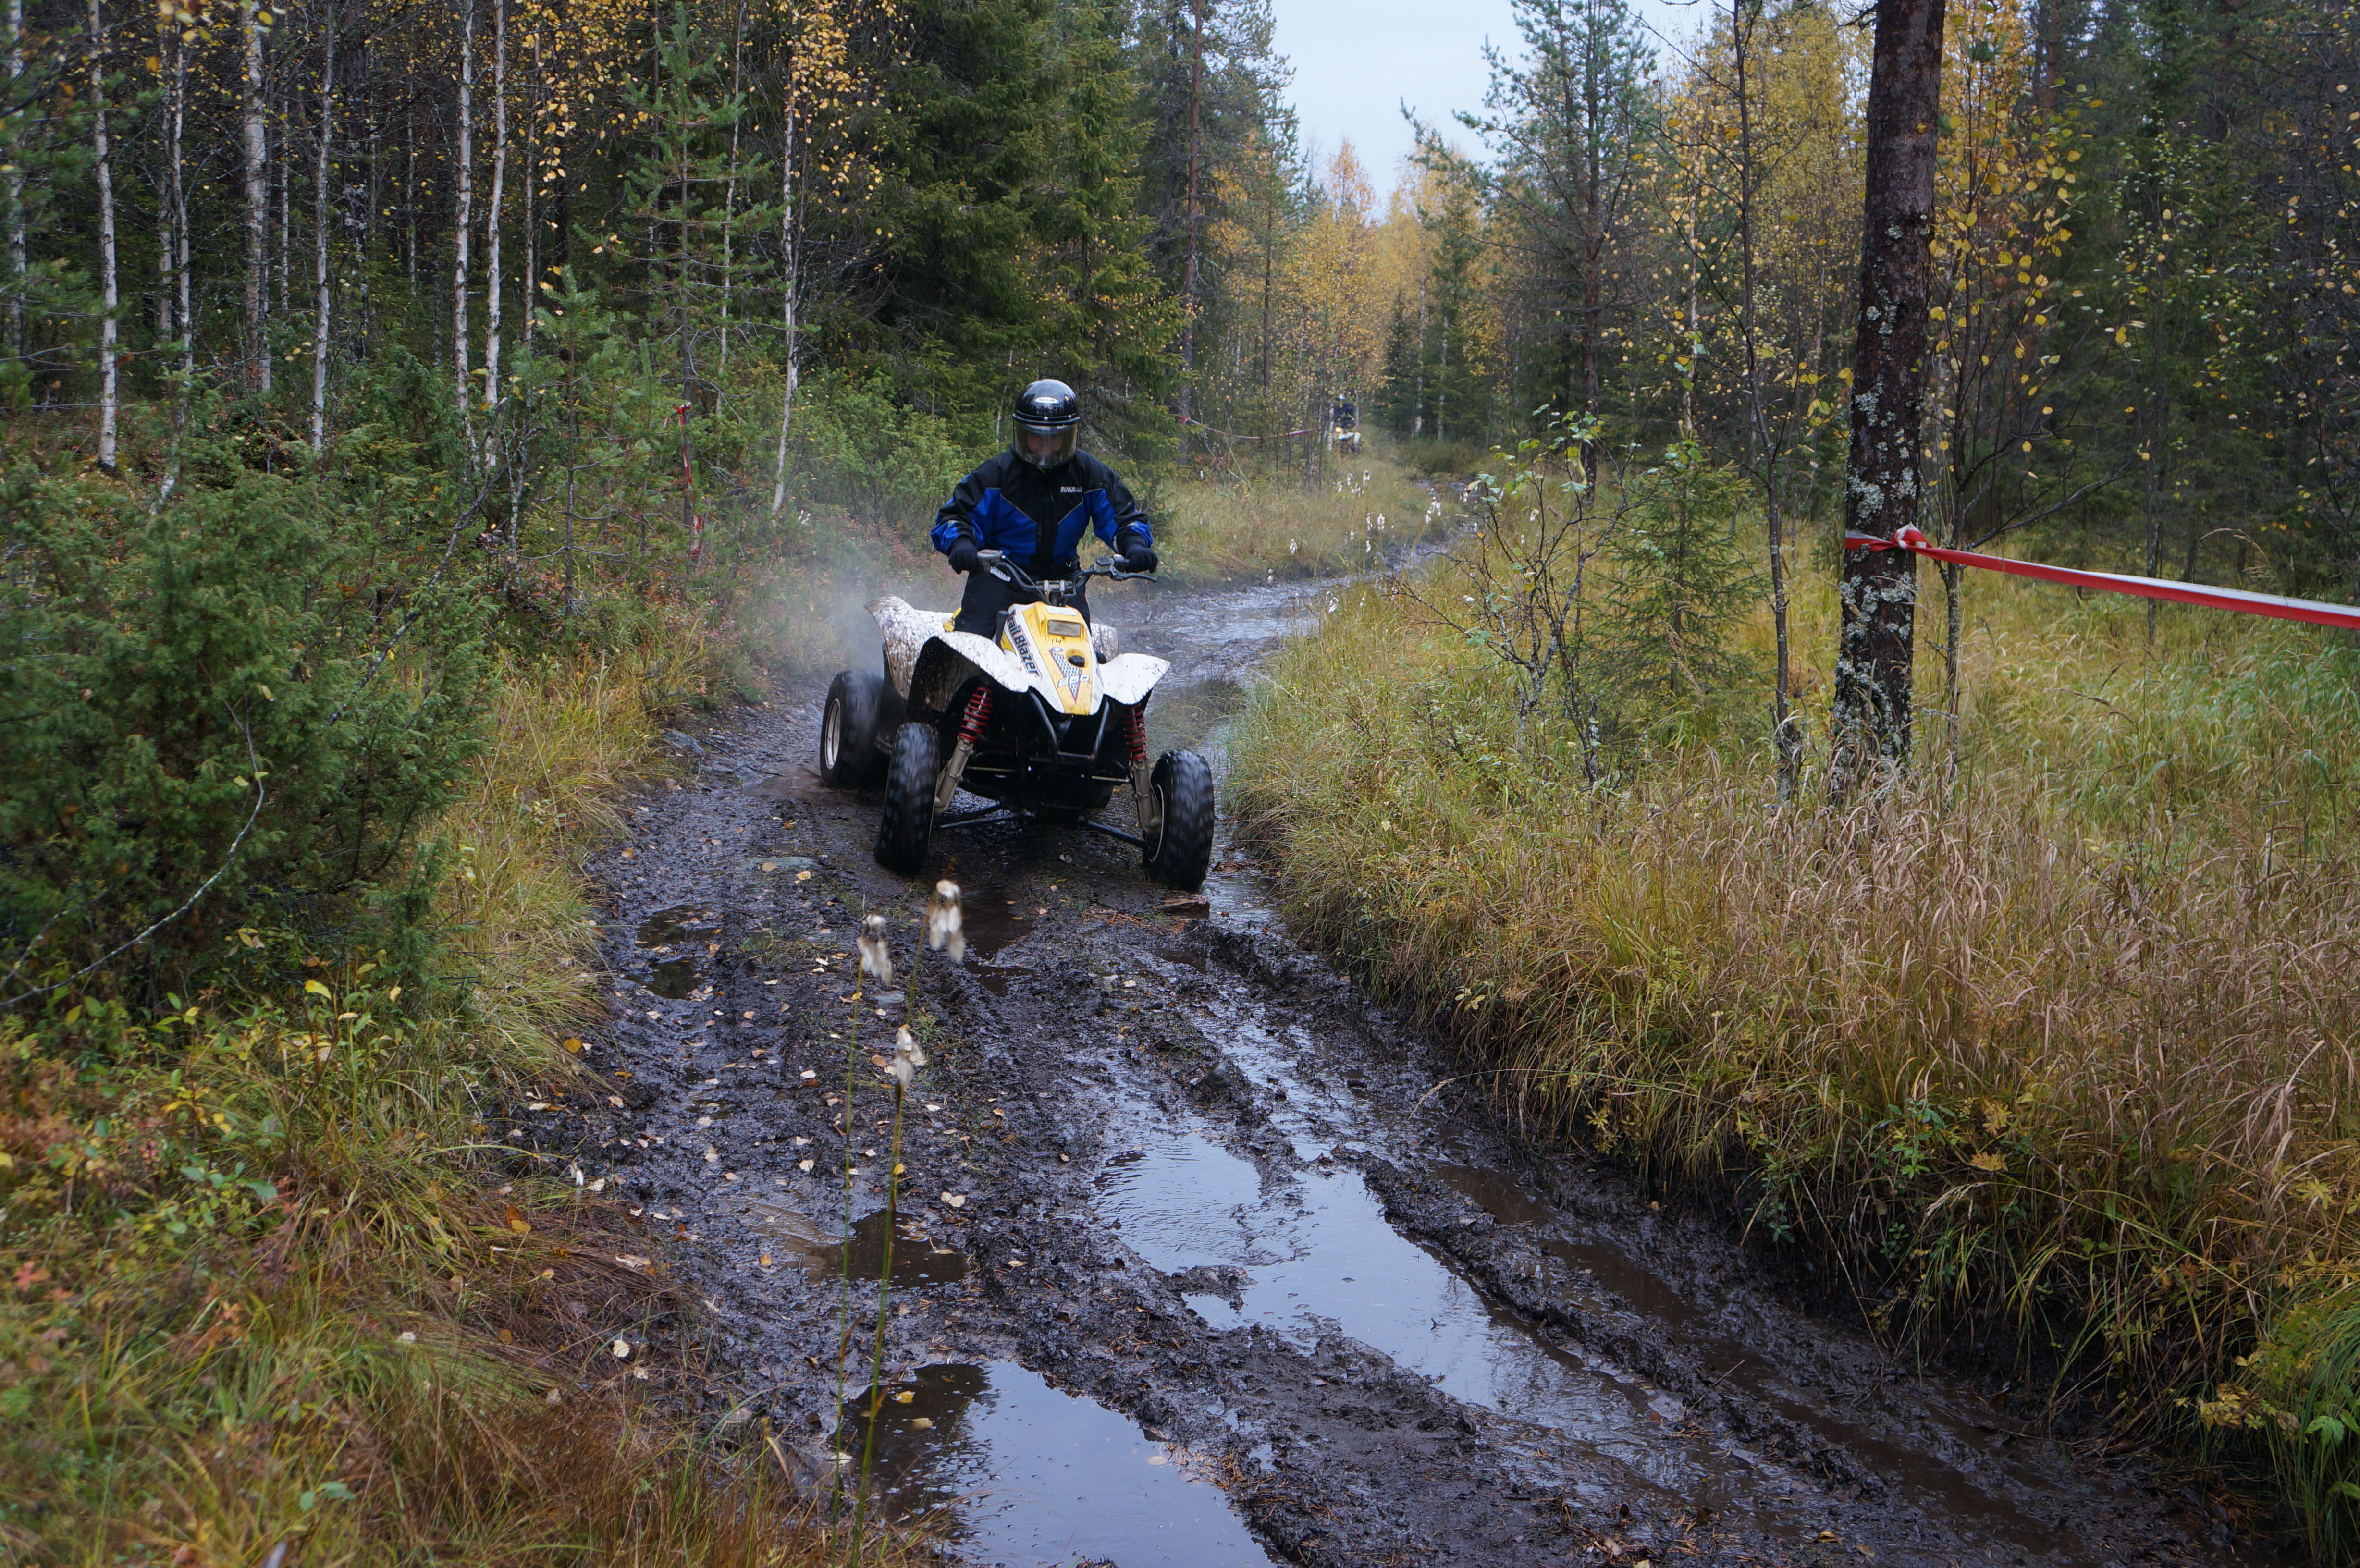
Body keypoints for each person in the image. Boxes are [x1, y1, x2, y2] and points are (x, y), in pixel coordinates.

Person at [930, 380, 1157, 636]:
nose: (1045, 447)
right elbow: (955, 516)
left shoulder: (1090, 474)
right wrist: (962, 545)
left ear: (1068, 436)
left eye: (1054, 438)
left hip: (1065, 581)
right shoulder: (996, 474)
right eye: (1037, 438)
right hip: (1000, 575)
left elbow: (1124, 518)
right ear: (1023, 435)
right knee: (970, 643)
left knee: (1082, 649)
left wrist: (1135, 546)